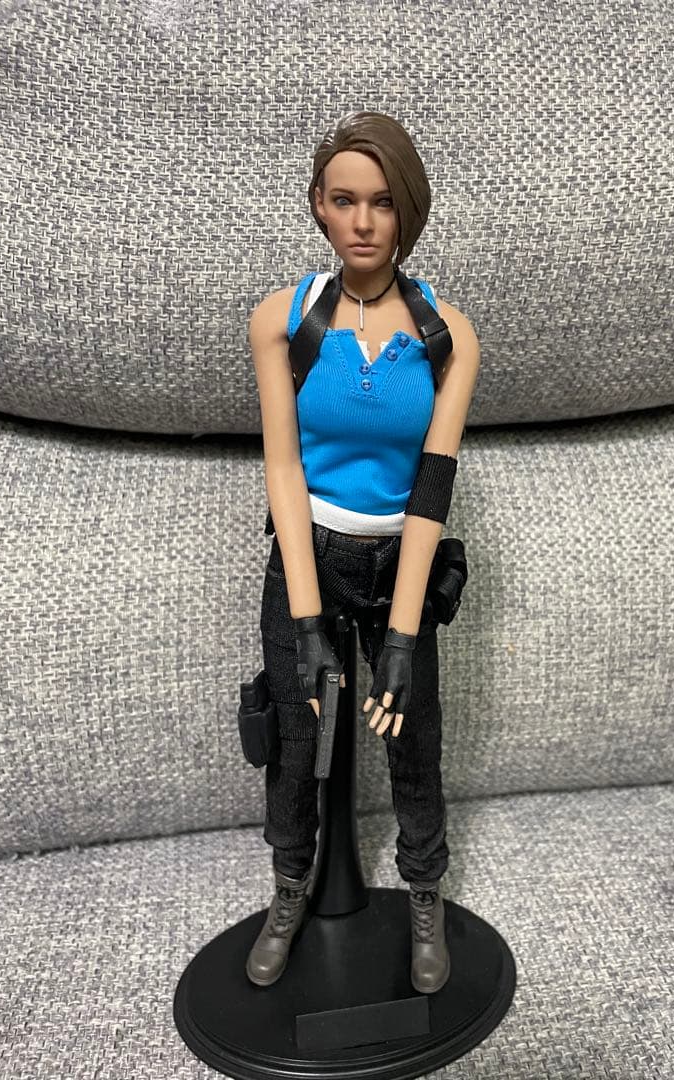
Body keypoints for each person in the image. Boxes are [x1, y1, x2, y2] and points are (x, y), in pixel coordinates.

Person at [245, 111, 480, 994]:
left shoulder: (447, 336)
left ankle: (423, 890)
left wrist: (405, 636)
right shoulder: (283, 321)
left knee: (413, 731)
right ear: (318, 205)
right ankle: (289, 886)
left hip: (397, 565)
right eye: (344, 200)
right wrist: (308, 623)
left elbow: (431, 486)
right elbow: (282, 467)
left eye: (382, 202)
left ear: (407, 209)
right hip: (307, 554)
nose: (363, 222)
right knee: (295, 733)